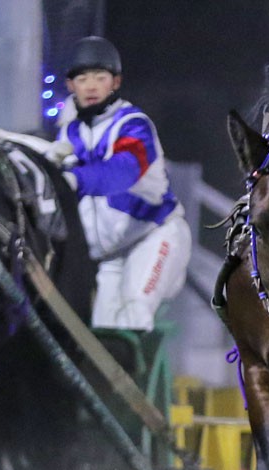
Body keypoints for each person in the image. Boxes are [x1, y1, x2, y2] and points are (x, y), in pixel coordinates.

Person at [55, 36, 191, 332]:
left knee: (134, 312)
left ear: (115, 83)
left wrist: (71, 179)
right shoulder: (67, 135)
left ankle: (137, 378)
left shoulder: (134, 124)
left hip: (154, 236)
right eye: (82, 78)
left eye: (100, 78)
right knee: (102, 335)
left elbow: (122, 172)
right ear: (70, 86)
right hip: (109, 257)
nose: (91, 86)